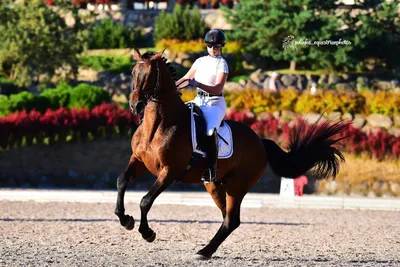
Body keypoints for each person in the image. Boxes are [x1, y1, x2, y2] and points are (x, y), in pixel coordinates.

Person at [175, 29, 229, 183]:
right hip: (199, 100)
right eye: (211, 45)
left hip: (215, 104)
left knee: (210, 131)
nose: (213, 49)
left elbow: (218, 88)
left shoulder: (222, 64)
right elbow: (186, 78)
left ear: (221, 47)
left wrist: (197, 83)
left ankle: (212, 169)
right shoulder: (199, 61)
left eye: (217, 46)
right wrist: (171, 86)